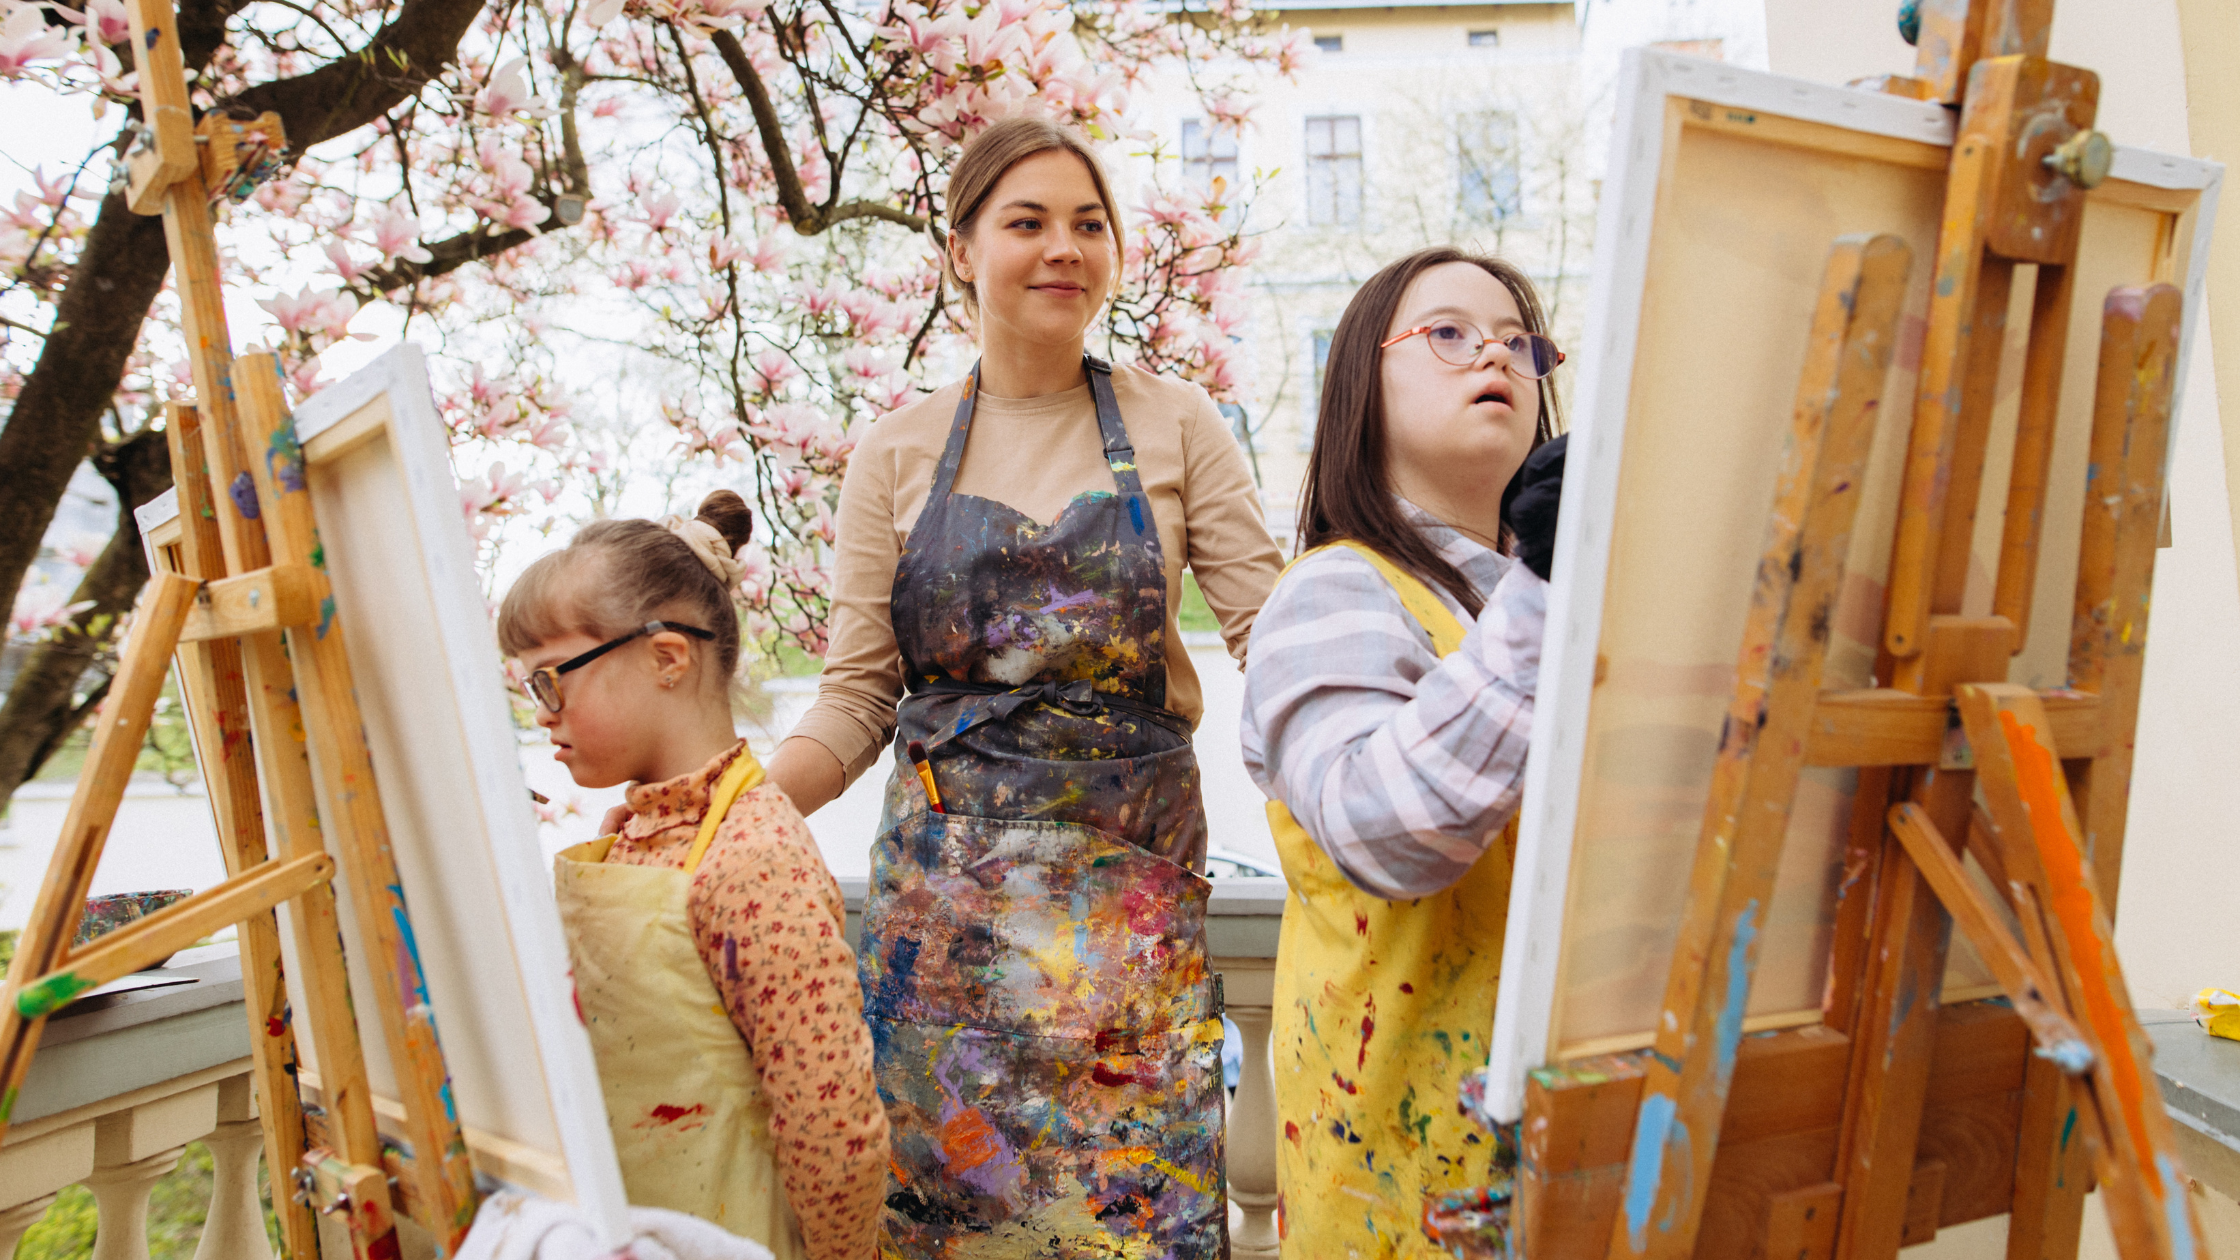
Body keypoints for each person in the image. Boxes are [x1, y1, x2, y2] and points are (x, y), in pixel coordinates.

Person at [766, 115, 1284, 1257]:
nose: (1063, 247)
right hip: (947, 943)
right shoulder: (893, 451)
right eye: (1027, 222)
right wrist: (731, 814)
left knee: (1133, 1225)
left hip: (1129, 927)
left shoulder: (1177, 421)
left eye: (1087, 224)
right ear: (960, 249)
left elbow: (1274, 641)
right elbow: (855, 699)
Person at [1240, 246, 1570, 1256]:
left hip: (1571, 1157)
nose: (1497, 359)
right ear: (1357, 388)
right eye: (1449, 335)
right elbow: (1386, 835)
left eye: (1520, 343)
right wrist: (1548, 587)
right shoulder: (1329, 592)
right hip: (1404, 1187)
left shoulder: (1557, 604)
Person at [498, 491, 889, 1260]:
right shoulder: (635, 836)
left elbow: (834, 1132)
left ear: (667, 659)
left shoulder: (755, 858)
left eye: (550, 680)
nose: (541, 713)